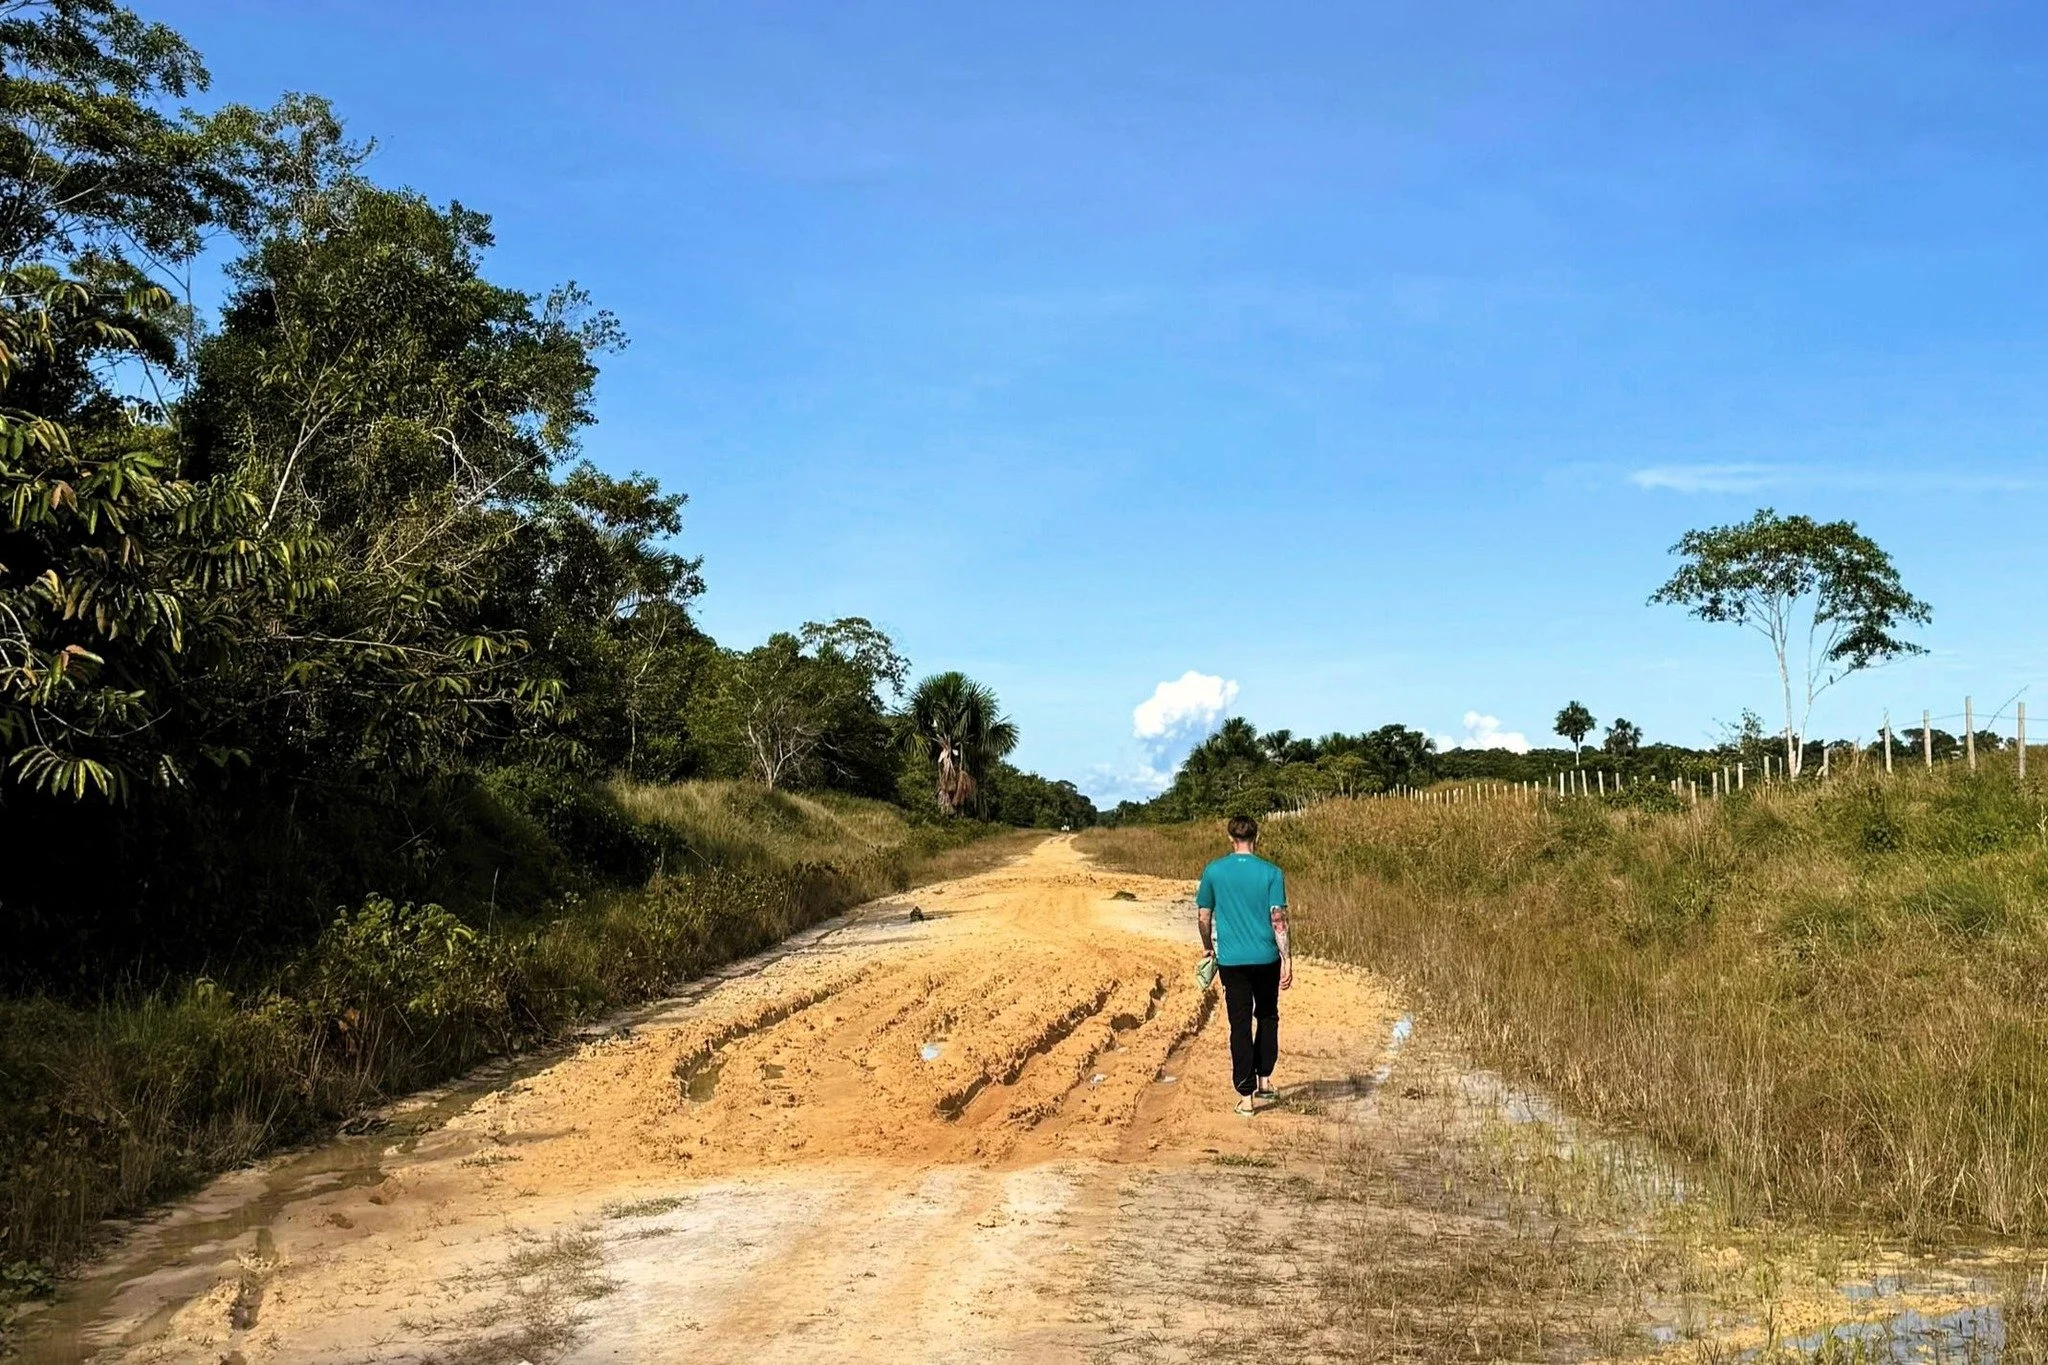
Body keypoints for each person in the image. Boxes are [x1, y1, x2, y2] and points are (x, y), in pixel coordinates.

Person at [1195, 814, 1291, 1116]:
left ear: (1230, 838)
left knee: (1239, 1024)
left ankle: (1246, 1097)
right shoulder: (1272, 872)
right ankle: (1264, 1081)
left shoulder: (1214, 871)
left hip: (1232, 961)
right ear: (1256, 838)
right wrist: (1287, 958)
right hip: (1266, 958)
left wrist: (1209, 948)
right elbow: (1278, 919)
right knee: (1267, 1016)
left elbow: (1203, 917)